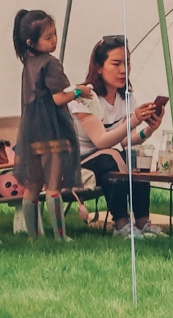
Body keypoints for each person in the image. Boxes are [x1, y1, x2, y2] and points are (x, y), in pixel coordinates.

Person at [71, 35, 166, 237]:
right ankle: (122, 224)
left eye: (127, 63)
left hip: (105, 159)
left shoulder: (125, 98)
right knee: (110, 157)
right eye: (116, 63)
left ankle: (142, 223)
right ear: (98, 67)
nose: (123, 70)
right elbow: (101, 140)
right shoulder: (85, 97)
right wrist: (134, 120)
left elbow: (124, 141)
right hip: (76, 161)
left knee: (136, 159)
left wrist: (149, 128)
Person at [12, 8, 88, 240]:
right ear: (30, 41)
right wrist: (79, 91)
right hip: (52, 128)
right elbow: (58, 98)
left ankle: (35, 237)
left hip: (30, 130)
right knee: (53, 185)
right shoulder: (50, 63)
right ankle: (60, 236)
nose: (54, 41)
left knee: (33, 185)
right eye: (48, 37)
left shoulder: (28, 63)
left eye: (55, 34)